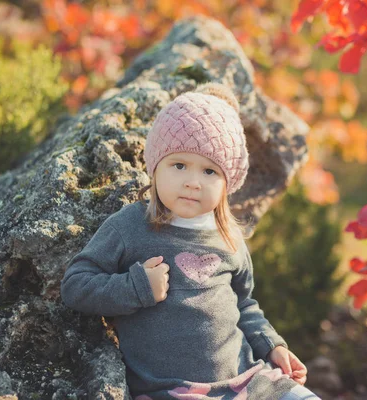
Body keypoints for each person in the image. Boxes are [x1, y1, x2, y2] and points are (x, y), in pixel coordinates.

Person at [60, 82, 321, 400]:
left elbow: (244, 303)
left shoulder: (229, 236)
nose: (193, 182)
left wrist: (272, 345)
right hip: (170, 390)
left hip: (248, 381)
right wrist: (136, 287)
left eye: (210, 171)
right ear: (155, 167)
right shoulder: (130, 227)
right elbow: (76, 285)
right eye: (179, 165)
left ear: (228, 182)